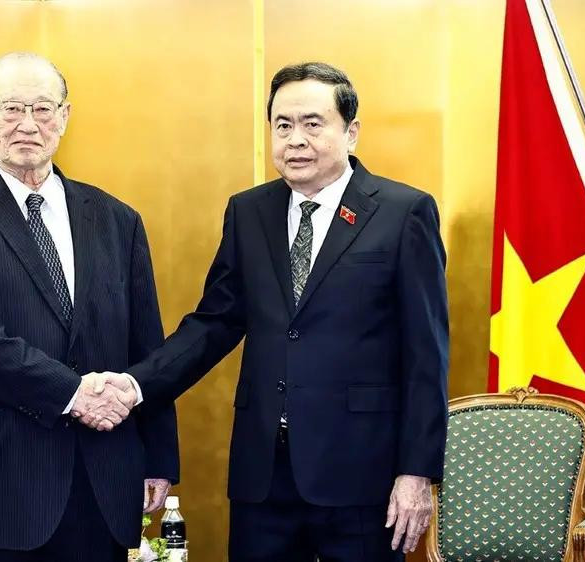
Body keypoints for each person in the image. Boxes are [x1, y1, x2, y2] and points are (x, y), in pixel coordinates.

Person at [81, 62, 449, 561]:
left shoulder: (404, 212)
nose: (295, 139)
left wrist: (416, 472)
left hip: (362, 474)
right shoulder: (248, 211)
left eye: (313, 124)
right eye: (283, 125)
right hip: (263, 475)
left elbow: (427, 354)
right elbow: (215, 322)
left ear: (351, 132)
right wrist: (136, 385)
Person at [0, 52, 178, 562]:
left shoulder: (118, 220)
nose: (28, 125)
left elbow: (147, 345)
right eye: (11, 109)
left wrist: (159, 457)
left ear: (65, 117)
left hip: (101, 480)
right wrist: (76, 394)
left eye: (43, 108)